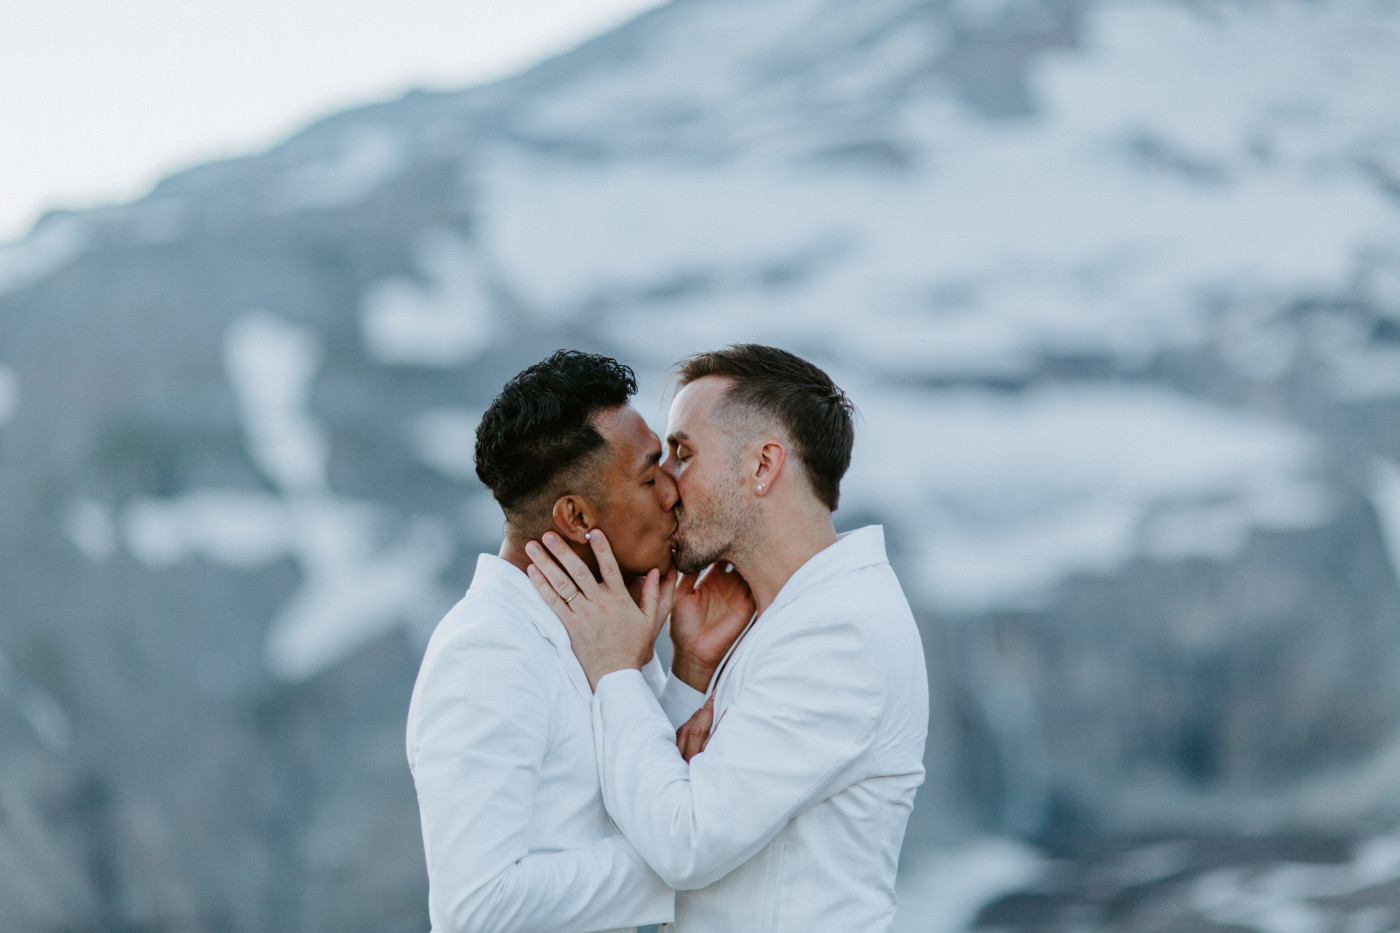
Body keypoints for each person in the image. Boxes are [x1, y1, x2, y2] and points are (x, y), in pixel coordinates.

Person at [526, 344, 930, 932]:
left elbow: (683, 844)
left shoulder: (838, 633)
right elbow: (651, 813)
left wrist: (615, 668)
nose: (664, 483)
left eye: (683, 453)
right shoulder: (783, 616)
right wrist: (689, 672)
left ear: (763, 466)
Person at [406, 350, 753, 933]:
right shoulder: (487, 652)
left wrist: (687, 671)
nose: (673, 492)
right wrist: (685, 860)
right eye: (649, 477)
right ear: (574, 514)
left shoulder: (604, 628)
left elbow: (632, 796)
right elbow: (475, 910)